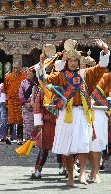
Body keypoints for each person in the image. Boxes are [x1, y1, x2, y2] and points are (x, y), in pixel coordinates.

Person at [35, 39, 109, 186]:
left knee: (83, 145)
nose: (74, 63)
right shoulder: (60, 75)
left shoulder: (86, 74)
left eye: (76, 60)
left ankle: (82, 175)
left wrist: (105, 51)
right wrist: (42, 65)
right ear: (66, 62)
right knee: (66, 147)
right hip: (66, 115)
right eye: (71, 61)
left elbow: (101, 67)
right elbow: (44, 81)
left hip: (83, 113)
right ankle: (70, 176)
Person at [3, 61, 26, 144]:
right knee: (10, 119)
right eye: (14, 68)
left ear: (20, 67)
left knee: (20, 119)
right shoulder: (8, 76)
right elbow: (5, 88)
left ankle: (19, 138)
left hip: (20, 101)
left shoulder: (24, 76)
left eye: (17, 68)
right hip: (11, 101)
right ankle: (8, 137)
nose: (15, 69)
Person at [19, 69, 36, 141]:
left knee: (34, 123)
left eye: (30, 73)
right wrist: (25, 103)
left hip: (34, 105)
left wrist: (34, 102)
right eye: (27, 74)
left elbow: (38, 94)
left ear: (33, 74)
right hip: (26, 105)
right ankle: (27, 139)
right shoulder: (23, 83)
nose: (29, 75)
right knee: (26, 122)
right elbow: (20, 94)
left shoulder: (36, 83)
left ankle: (34, 140)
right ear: (25, 75)